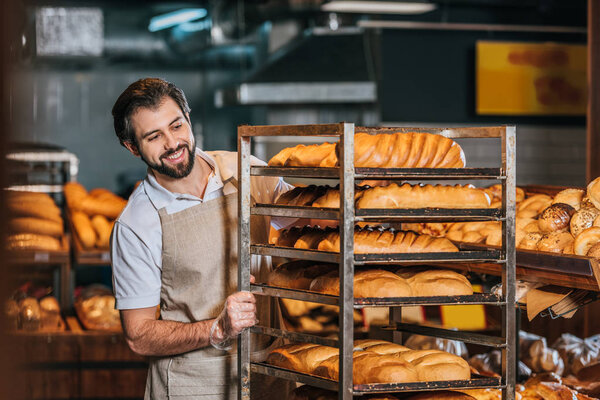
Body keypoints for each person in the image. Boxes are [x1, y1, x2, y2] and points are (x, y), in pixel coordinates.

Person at [110, 77, 293, 399]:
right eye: (154, 136)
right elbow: (139, 335)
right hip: (192, 385)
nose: (172, 143)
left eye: (177, 126)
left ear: (189, 119)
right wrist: (218, 328)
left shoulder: (245, 171)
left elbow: (310, 222)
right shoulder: (136, 224)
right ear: (132, 147)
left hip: (267, 374)